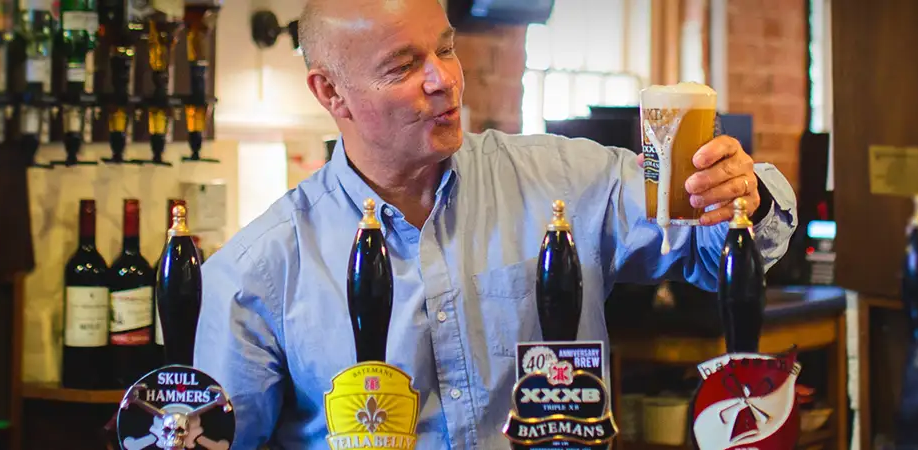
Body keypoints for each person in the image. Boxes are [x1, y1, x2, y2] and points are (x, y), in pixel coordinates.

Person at [191, 0, 798, 447]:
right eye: (404, 66)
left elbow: (717, 249)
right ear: (331, 93)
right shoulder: (257, 273)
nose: (444, 80)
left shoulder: (560, 179)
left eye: (446, 49)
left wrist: (740, 195)